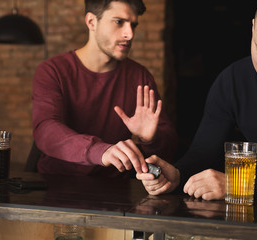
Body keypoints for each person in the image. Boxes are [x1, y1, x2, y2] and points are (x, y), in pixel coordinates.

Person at [137, 0, 257, 199]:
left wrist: (237, 185)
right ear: (253, 28)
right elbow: (203, 154)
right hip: (249, 211)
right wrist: (176, 175)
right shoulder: (231, 80)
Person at [32, 0, 177, 177]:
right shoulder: (53, 70)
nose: (129, 34)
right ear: (91, 22)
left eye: (133, 25)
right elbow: (45, 130)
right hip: (57, 184)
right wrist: (101, 151)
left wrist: (149, 140)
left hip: (116, 190)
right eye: (119, 22)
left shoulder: (140, 76)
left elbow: (169, 149)